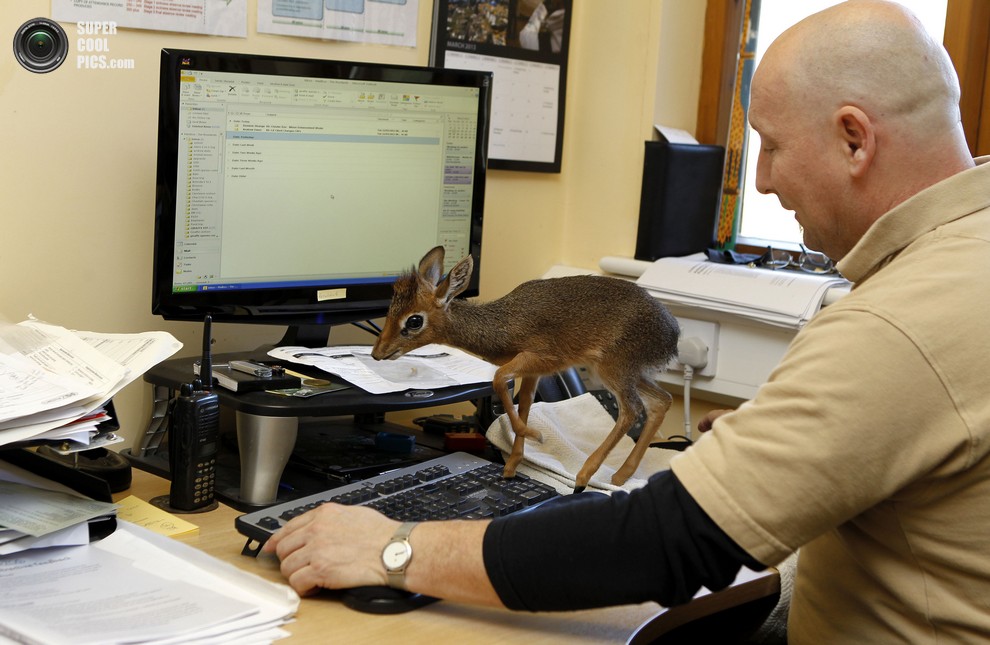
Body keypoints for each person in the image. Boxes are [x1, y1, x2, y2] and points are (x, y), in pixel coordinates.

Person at [263, 1, 990, 640]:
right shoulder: (962, 257)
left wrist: (397, 547)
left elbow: (665, 543)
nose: (762, 178)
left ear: (855, 139)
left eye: (771, 143)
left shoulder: (900, 321)